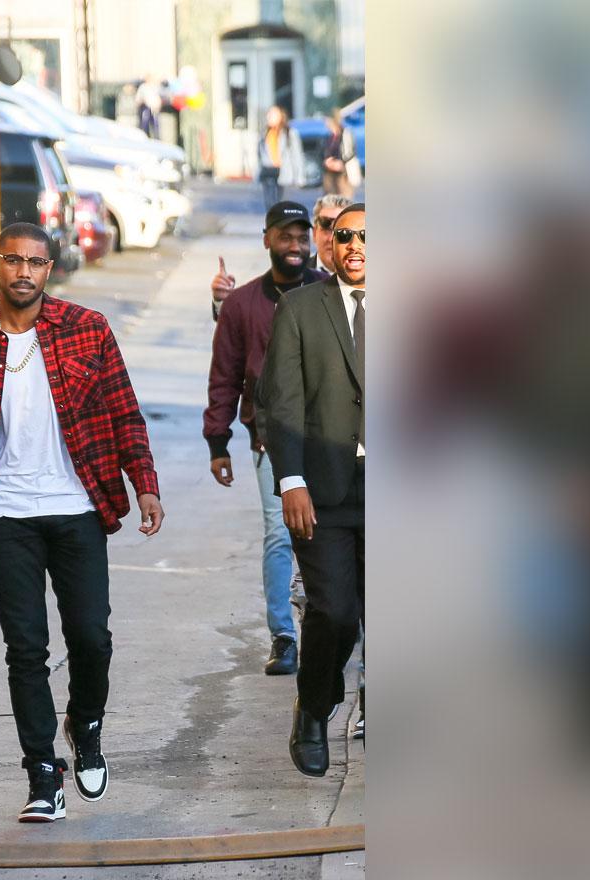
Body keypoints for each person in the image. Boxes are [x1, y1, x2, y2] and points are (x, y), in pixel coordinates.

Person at [0, 223, 164, 824]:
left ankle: (85, 721)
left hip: (78, 507)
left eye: (35, 263)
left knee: (92, 636)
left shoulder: (88, 331)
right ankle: (43, 772)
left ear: (50, 267)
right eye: (13, 261)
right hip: (8, 514)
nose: (24, 272)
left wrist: (144, 483)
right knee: (25, 649)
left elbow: (124, 412)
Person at [258, 204, 365, 777]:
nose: (356, 245)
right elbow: (282, 401)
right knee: (336, 611)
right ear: (330, 243)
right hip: (322, 491)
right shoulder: (301, 308)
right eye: (345, 234)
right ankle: (315, 710)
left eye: (369, 235)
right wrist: (290, 480)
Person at [206, 201, 328, 676]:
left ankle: (331, 625)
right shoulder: (243, 305)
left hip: (332, 439)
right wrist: (217, 440)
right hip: (269, 441)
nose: (295, 246)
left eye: (302, 237)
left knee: (333, 534)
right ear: (267, 239)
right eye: (286, 236)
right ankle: (284, 636)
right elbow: (225, 375)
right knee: (281, 534)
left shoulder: (329, 292)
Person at [258, 105, 305, 210]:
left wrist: (299, 177)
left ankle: (282, 225)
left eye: (273, 114)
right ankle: (272, 225)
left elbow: (297, 155)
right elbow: (259, 155)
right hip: (268, 172)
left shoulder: (289, 133)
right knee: (269, 205)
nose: (269, 117)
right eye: (268, 114)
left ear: (280, 116)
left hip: (284, 173)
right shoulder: (264, 133)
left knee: (283, 206)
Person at [310, 193, 354, 274]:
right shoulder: (296, 273)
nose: (331, 239)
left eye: (342, 232)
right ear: (314, 233)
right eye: (326, 230)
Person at [322, 111, 358, 198]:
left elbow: (350, 152)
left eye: (327, 121)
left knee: (344, 200)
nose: (326, 123)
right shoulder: (329, 136)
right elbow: (325, 152)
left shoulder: (346, 133)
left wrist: (340, 163)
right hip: (330, 173)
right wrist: (327, 161)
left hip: (343, 173)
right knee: (330, 200)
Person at [135, 74, 162, 138]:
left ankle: (156, 139)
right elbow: (138, 99)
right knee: (144, 124)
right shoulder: (143, 87)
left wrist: (158, 105)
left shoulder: (155, 87)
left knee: (155, 126)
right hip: (146, 108)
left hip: (154, 108)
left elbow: (158, 98)